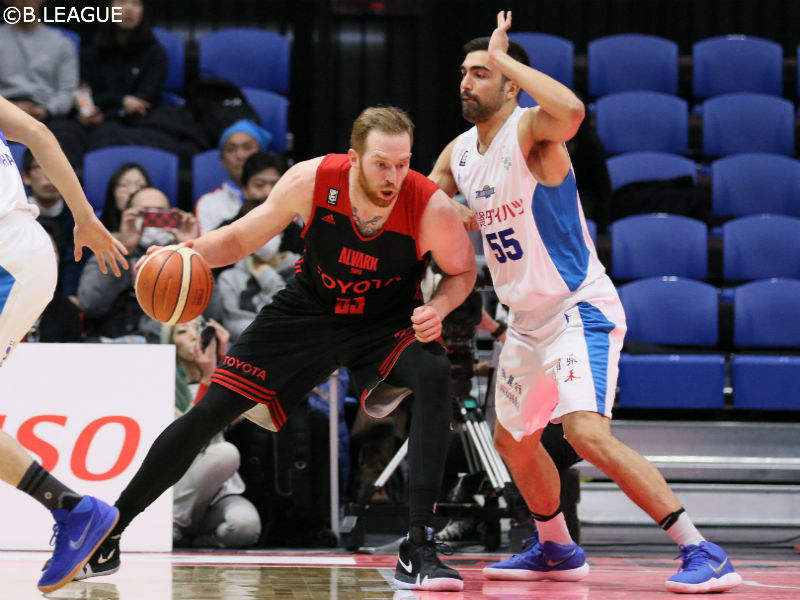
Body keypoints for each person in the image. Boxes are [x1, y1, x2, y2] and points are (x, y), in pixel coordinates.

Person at [76, 106, 476, 592]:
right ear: (353, 159)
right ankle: (110, 531)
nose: (393, 176)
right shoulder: (313, 180)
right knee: (210, 412)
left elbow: (462, 272)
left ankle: (419, 547)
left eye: (403, 163)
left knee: (434, 371)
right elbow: (242, 237)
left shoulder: (429, 206)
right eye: (381, 164)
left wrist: (438, 306)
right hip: (307, 312)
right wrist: (186, 253)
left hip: (384, 323)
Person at [428, 12, 741, 595]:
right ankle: (556, 548)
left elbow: (571, 112)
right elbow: (423, 205)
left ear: (511, 85)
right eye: (464, 73)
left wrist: (506, 57)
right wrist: (447, 213)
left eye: (481, 72)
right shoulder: (460, 153)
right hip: (525, 322)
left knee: (585, 434)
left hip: (577, 308)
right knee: (512, 443)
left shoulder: (531, 131)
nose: (467, 82)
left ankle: (702, 549)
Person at [0, 93, 128, 593]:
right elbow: (38, 133)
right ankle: (74, 510)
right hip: (22, 253)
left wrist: (85, 216)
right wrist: (84, 215)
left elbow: (37, 134)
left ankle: (76, 511)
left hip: (7, 263)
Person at [165, 318, 261, 550]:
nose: (193, 336)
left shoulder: (217, 377)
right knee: (226, 453)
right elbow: (192, 433)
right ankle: (169, 526)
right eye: (182, 331)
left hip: (214, 498)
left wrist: (228, 360)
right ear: (169, 343)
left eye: (198, 329)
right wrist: (208, 378)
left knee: (246, 526)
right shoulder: (162, 386)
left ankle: (197, 541)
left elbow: (246, 411)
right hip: (174, 490)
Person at [78, 185, 199, 342]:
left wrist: (191, 251)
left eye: (160, 214)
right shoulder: (107, 253)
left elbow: (210, 310)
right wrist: (124, 250)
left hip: (164, 345)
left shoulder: (182, 258)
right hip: (111, 342)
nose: (153, 222)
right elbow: (89, 304)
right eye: (145, 214)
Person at [0, 0, 86, 165]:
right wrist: (10, 108)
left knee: (70, 134)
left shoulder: (61, 42)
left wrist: (46, 110)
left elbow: (67, 92)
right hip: (4, 110)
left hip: (47, 112)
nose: (25, 2)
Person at [21, 149, 83, 301]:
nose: (50, 175)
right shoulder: (14, 215)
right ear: (26, 177)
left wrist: (70, 295)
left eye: (56, 166)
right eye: (40, 166)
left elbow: (75, 261)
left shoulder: (80, 218)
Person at [194, 120, 273, 235]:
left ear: (262, 153)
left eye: (248, 147)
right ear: (222, 159)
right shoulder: (208, 203)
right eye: (231, 149)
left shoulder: (282, 197)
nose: (240, 156)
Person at [99, 161, 152, 233]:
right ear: (113, 192)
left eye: (141, 186)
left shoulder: (160, 230)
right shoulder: (96, 228)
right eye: (124, 185)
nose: (132, 191)